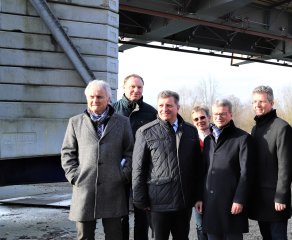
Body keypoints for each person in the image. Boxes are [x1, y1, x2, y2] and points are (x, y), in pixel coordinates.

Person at [61, 80, 134, 240]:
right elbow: (67, 153)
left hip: (113, 188)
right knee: (84, 236)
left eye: (100, 97)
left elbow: (130, 152)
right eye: (91, 97)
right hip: (84, 188)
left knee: (115, 235)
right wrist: (74, 176)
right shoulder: (75, 122)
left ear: (108, 98)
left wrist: (123, 175)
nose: (95, 101)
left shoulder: (122, 122)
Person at [132, 90, 202, 240]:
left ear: (178, 107)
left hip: (183, 201)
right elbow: (138, 168)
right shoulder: (145, 132)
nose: (164, 109)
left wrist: (198, 196)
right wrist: (140, 199)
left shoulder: (190, 131)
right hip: (158, 202)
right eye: (161, 105)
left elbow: (197, 167)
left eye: (169, 105)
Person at [195, 99, 253, 240]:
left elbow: (246, 172)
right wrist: (199, 198)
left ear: (230, 114)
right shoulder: (209, 140)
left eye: (223, 114)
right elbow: (203, 172)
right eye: (216, 114)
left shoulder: (242, 138)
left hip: (231, 202)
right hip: (210, 204)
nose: (219, 117)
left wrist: (239, 199)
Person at [112, 74, 157, 240]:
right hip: (119, 169)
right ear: (124, 87)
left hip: (143, 170)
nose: (136, 90)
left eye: (139, 87)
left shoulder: (151, 112)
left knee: (142, 213)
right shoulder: (112, 110)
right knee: (120, 214)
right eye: (132, 86)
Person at [247, 86, 292, 239]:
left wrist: (281, 196)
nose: (257, 105)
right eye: (254, 102)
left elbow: (285, 166)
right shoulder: (255, 129)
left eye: (262, 101)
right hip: (260, 197)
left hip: (275, 198)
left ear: (272, 102)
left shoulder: (282, 127)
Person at [190, 105, 212, 240]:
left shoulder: (218, 135)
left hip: (217, 188)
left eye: (203, 117)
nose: (200, 121)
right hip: (197, 190)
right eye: (196, 119)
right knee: (200, 225)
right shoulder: (190, 139)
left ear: (209, 118)